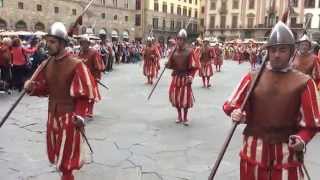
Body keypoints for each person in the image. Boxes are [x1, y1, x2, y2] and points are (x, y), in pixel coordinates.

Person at [223, 21, 320, 180]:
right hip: (254, 149)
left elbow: (311, 124)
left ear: (291, 51)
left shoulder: (305, 82)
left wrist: (301, 140)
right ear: (268, 51)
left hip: (286, 153)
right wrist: (238, 114)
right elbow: (230, 105)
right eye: (273, 49)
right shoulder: (252, 77)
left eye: (282, 50)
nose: (276, 54)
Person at [24, 22, 99, 180]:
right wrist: (32, 87)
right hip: (53, 114)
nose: (48, 45)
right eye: (47, 41)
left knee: (67, 161)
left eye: (52, 42)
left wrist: (79, 115)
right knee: (57, 153)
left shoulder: (76, 64)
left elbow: (84, 95)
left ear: (62, 43)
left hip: (69, 117)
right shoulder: (48, 63)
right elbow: (47, 89)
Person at [165, 29, 200, 126]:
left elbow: (195, 66)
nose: (179, 41)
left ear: (184, 40)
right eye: (178, 39)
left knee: (185, 98)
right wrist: (167, 64)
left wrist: (191, 76)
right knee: (176, 97)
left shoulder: (190, 51)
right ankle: (179, 116)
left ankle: (185, 117)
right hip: (176, 77)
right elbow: (171, 65)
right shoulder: (173, 51)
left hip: (185, 77)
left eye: (181, 39)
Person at [78, 35, 105, 119]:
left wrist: (97, 77)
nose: (83, 45)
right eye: (82, 43)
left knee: (91, 94)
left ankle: (90, 110)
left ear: (88, 44)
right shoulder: (80, 53)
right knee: (83, 94)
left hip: (91, 77)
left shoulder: (94, 53)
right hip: (81, 78)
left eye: (85, 43)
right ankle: (84, 109)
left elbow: (98, 66)